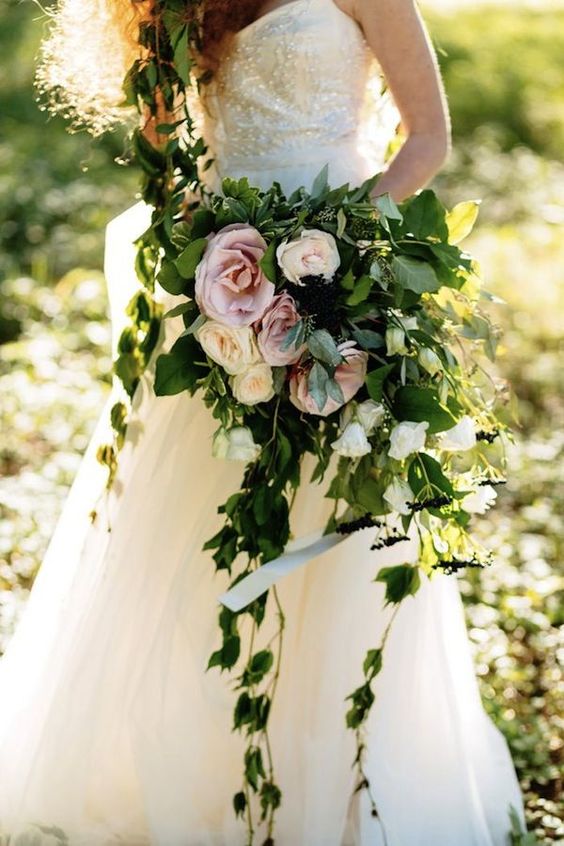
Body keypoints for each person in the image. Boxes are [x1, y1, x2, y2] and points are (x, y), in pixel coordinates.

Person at [0, 1, 524, 843]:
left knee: (342, 521)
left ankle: (335, 783)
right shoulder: (176, 5)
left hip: (341, 289)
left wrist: (334, 245)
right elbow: (165, 153)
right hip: (222, 286)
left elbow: (427, 138)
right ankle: (198, 768)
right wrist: (214, 253)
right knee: (188, 523)